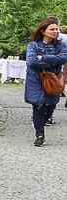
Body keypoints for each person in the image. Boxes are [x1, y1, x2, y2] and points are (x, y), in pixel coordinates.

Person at [25, 17, 67, 145]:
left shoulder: (61, 45)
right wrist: (53, 62)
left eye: (57, 29)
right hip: (35, 79)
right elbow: (32, 61)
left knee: (51, 105)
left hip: (53, 79)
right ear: (43, 31)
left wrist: (44, 57)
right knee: (38, 106)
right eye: (52, 29)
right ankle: (40, 136)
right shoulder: (33, 45)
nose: (55, 32)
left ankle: (39, 124)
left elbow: (63, 58)